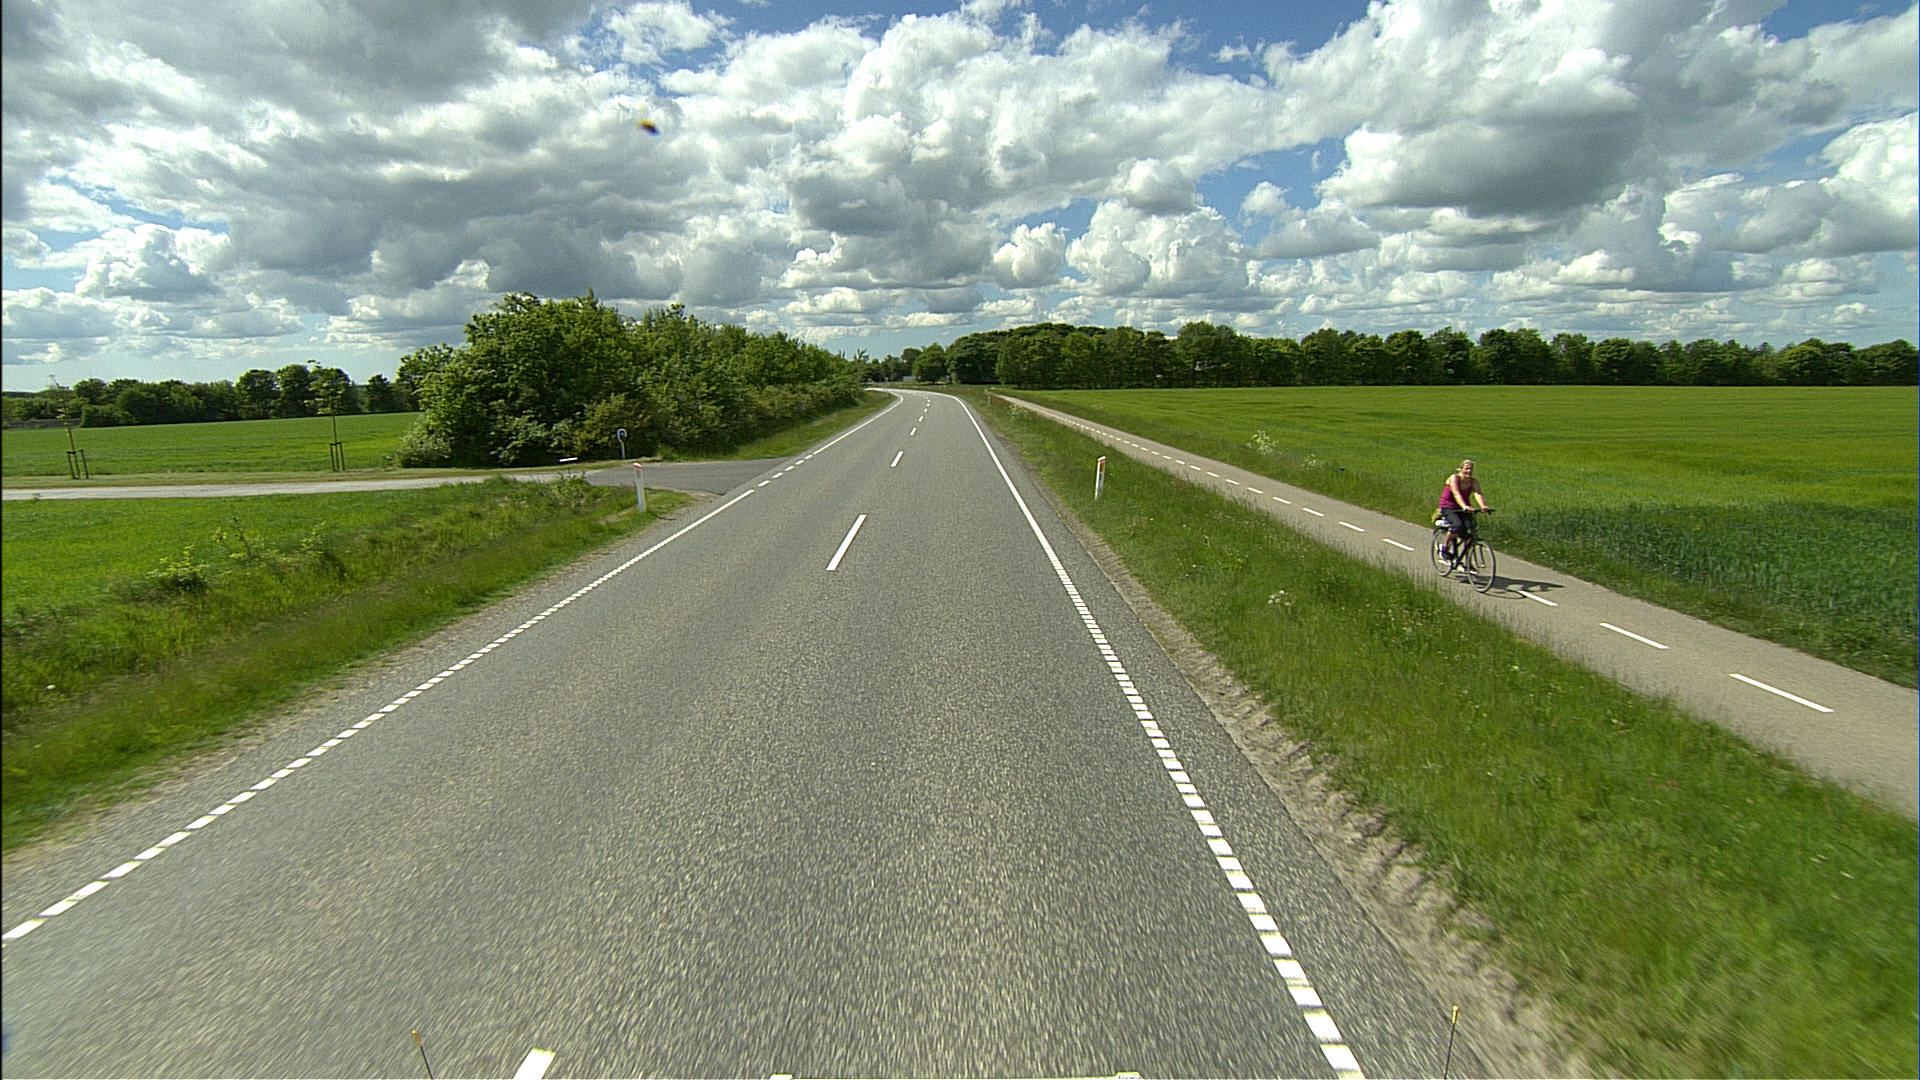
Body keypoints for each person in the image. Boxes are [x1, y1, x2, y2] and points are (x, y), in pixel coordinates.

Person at [1437, 458, 1489, 562]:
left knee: (1471, 532)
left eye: (1470, 469)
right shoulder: (1454, 478)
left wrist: (1483, 506)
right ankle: (1445, 547)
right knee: (1457, 526)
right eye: (1466, 469)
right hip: (1449, 507)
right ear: (1461, 469)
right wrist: (1464, 506)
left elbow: (1477, 493)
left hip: (1464, 508)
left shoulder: (1473, 481)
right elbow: (1456, 493)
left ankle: (1467, 561)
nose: (1468, 471)